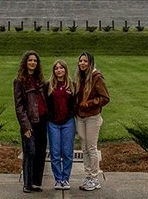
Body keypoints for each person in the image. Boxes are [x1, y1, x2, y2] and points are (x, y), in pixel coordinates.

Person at [74, 51, 109, 191]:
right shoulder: (80, 77)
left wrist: (88, 103)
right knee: (84, 148)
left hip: (92, 117)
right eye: (80, 61)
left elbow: (105, 98)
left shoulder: (96, 77)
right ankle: (88, 175)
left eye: (85, 61)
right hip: (80, 117)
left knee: (91, 147)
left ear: (90, 63)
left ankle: (94, 178)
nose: (82, 63)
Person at [13, 50, 48, 193]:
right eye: (30, 60)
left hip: (42, 120)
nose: (32, 63)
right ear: (25, 63)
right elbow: (19, 106)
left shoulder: (40, 80)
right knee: (30, 152)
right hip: (30, 122)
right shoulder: (19, 81)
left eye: (35, 60)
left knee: (40, 152)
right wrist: (25, 126)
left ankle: (35, 182)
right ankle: (27, 183)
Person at [45, 59, 77, 190]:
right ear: (54, 71)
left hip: (68, 122)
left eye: (61, 68)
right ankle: (58, 179)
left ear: (65, 69)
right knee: (55, 152)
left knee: (68, 152)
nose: (59, 70)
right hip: (53, 123)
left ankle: (66, 179)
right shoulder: (49, 86)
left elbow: (75, 103)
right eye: (56, 68)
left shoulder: (72, 85)